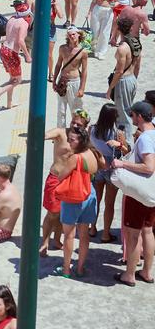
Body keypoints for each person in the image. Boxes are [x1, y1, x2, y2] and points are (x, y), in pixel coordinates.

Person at [112, 100, 155, 286]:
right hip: (151, 191)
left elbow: (148, 166)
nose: (132, 118)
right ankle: (146, 272)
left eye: (133, 115)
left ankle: (129, 275)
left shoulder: (145, 138)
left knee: (132, 233)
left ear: (139, 116)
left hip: (140, 192)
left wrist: (123, 164)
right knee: (148, 231)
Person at [52, 119, 102, 278]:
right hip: (89, 193)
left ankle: (66, 270)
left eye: (72, 140)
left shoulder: (75, 158)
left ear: (81, 141)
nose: (69, 142)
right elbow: (103, 165)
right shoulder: (93, 152)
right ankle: (80, 268)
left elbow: (61, 176)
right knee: (84, 234)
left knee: (69, 235)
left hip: (74, 197)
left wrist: (57, 170)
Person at [89, 102, 126, 244]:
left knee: (96, 200)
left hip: (98, 167)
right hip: (112, 169)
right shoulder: (118, 133)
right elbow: (126, 151)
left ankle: (92, 228)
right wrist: (121, 145)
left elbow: (90, 146)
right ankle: (105, 234)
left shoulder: (92, 129)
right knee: (109, 204)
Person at [0, 2, 30, 110]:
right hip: (12, 52)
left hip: (4, 49)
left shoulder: (12, 19)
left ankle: (9, 103)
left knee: (12, 78)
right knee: (18, 80)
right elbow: (21, 41)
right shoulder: (23, 23)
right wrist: (27, 55)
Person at [108, 15, 142, 132]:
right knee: (126, 111)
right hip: (132, 78)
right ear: (131, 28)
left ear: (118, 29)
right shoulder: (135, 43)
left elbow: (119, 71)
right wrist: (134, 79)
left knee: (122, 116)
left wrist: (110, 89)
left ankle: (126, 144)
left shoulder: (122, 48)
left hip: (123, 81)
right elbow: (138, 64)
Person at [52, 27, 88, 128]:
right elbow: (58, 65)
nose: (71, 36)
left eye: (73, 34)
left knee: (76, 110)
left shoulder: (83, 52)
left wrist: (82, 88)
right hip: (62, 81)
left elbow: (84, 71)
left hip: (75, 82)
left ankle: (77, 131)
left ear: (79, 35)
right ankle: (61, 133)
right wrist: (54, 81)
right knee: (61, 110)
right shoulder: (62, 48)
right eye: (69, 35)